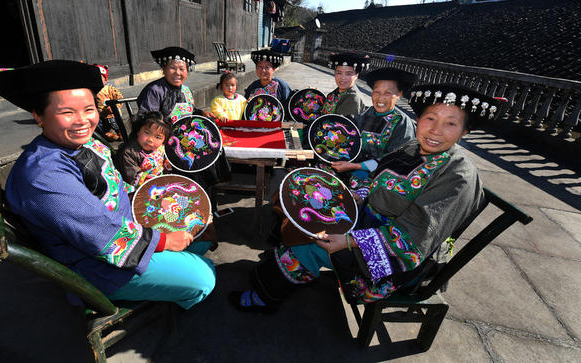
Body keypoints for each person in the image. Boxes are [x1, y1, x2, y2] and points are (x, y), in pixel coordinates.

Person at [229, 83, 494, 312]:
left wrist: (349, 241)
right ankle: (279, 268)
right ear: (419, 120)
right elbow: (376, 180)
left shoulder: (459, 175)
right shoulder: (414, 146)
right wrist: (356, 196)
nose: (436, 130)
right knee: (302, 203)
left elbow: (413, 239)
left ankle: (265, 297)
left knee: (310, 242)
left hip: (396, 261)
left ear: (464, 132)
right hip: (367, 224)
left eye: (451, 123)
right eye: (430, 118)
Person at [0, 60, 215, 309]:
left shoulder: (87, 143)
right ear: (39, 116)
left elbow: (117, 186)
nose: (82, 121)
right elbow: (98, 231)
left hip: (125, 224)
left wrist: (162, 206)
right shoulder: (42, 174)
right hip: (97, 263)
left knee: (200, 233)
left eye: (88, 109)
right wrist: (163, 242)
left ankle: (172, 272)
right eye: (67, 112)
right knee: (205, 276)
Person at [331, 67, 417, 197]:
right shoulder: (365, 114)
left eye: (388, 93)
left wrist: (355, 166)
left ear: (399, 94)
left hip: (376, 180)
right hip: (349, 169)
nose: (380, 98)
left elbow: (393, 164)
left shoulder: (402, 124)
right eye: (376, 92)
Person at [136, 46, 216, 122]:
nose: (177, 73)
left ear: (186, 71)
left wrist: (202, 113)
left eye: (182, 69)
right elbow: (148, 121)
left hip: (185, 133)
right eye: (172, 68)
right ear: (163, 69)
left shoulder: (186, 90)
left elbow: (191, 111)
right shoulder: (155, 90)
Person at [114, 111, 172, 188]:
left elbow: (162, 159)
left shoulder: (160, 146)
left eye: (158, 137)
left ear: (164, 140)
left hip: (159, 180)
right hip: (140, 186)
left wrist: (167, 163)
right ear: (138, 131)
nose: (150, 139)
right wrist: (158, 183)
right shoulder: (128, 152)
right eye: (147, 133)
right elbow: (134, 177)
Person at [94, 64, 124, 141]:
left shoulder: (109, 89)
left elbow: (119, 98)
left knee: (114, 123)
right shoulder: (91, 91)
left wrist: (115, 106)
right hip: (99, 115)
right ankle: (108, 136)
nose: (97, 80)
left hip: (111, 114)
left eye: (100, 78)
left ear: (105, 79)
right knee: (100, 128)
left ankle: (121, 134)